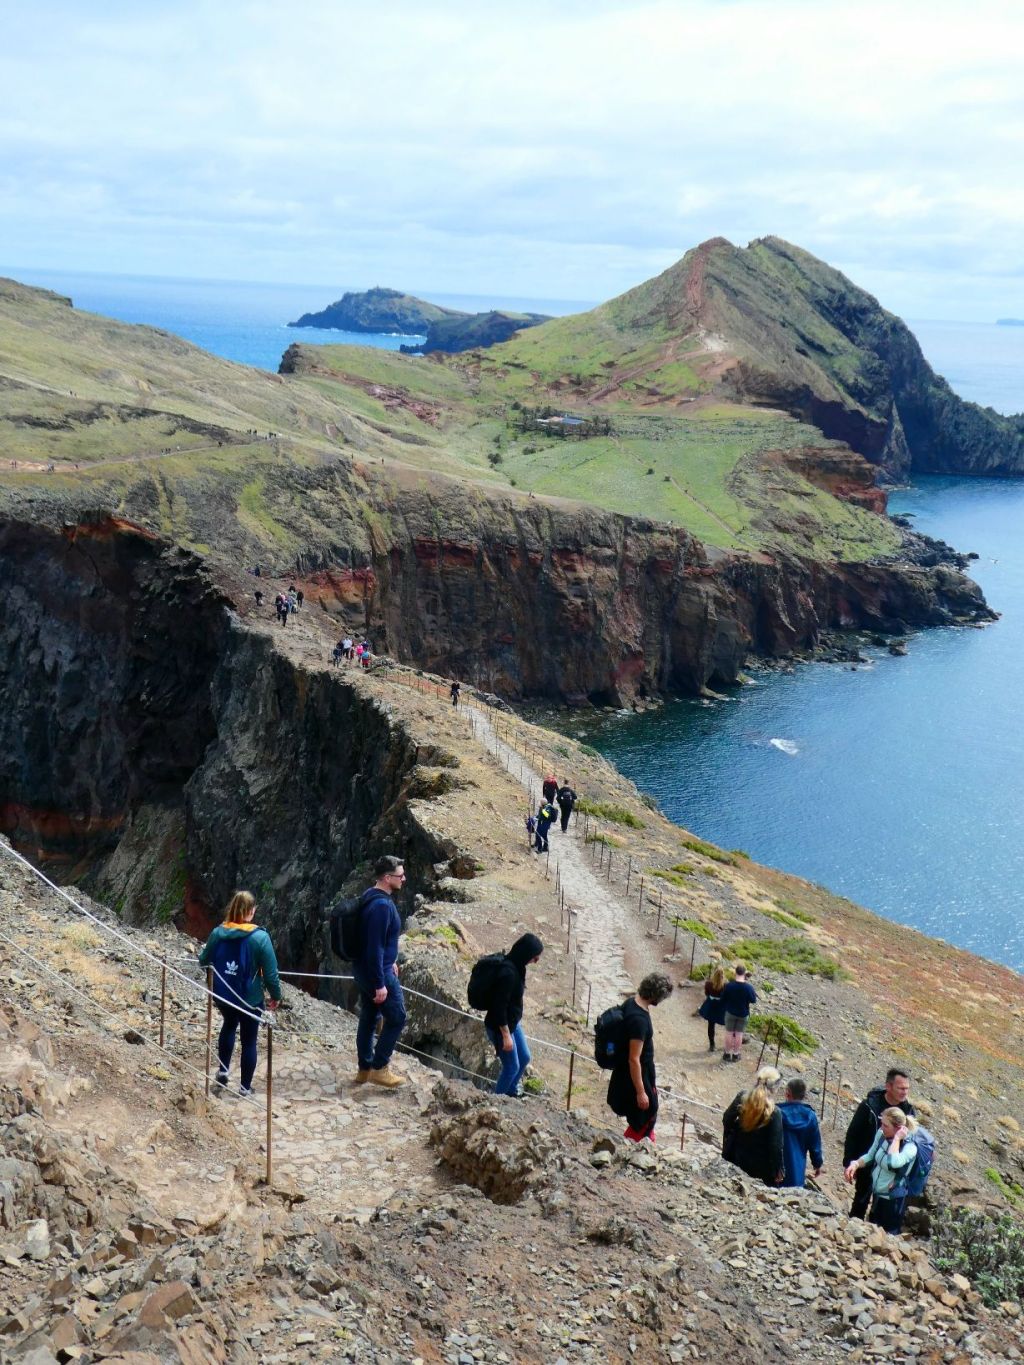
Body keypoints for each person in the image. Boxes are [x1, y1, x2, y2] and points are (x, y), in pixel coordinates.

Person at [199, 891, 281, 1097]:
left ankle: (223, 1071)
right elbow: (271, 974)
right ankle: (245, 1088)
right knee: (249, 1040)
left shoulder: (218, 933)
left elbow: (203, 960)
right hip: (249, 998)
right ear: (252, 911)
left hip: (223, 994)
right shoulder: (260, 937)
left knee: (228, 1026)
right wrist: (276, 996)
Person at [351, 855, 408, 1088]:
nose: (404, 878)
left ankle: (364, 1069)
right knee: (397, 1017)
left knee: (369, 1017)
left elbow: (377, 943)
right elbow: (375, 946)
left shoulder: (369, 896)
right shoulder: (383, 906)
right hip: (377, 974)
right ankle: (379, 1067)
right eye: (400, 875)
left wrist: (390, 960)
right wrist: (380, 983)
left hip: (365, 970)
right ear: (387, 878)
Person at [606, 973, 674, 1141]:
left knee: (646, 1116)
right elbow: (634, 1059)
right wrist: (641, 1092)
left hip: (630, 1071)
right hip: (637, 1073)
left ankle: (648, 1142)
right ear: (656, 995)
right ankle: (634, 1146)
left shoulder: (630, 1003)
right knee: (647, 1113)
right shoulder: (639, 1020)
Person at [843, 1069, 916, 1219]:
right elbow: (853, 1134)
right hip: (867, 1161)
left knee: (881, 1206)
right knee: (861, 1199)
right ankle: (854, 1229)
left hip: (891, 1170)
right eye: (901, 1088)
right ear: (888, 1086)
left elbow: (911, 1141)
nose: (905, 1092)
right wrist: (849, 1161)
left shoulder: (908, 1110)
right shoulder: (870, 1105)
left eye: (907, 1088)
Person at [483, 933, 544, 1096]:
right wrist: (506, 1036)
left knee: (524, 1058)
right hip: (500, 1027)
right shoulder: (508, 974)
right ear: (526, 954)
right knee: (511, 1067)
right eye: (535, 957)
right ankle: (497, 1101)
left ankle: (510, 1092)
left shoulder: (519, 967)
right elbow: (498, 1007)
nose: (536, 961)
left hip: (512, 1023)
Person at [844, 1107, 919, 1234]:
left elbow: (892, 1162)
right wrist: (855, 1164)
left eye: (886, 1125)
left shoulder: (910, 1148)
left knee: (888, 1238)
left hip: (893, 1201)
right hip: (878, 1195)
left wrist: (896, 1139)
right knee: (873, 1233)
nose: (881, 1127)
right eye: (882, 1123)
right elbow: (870, 1155)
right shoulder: (881, 1134)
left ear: (899, 1128)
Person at [722, 1066, 784, 1185]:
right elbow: (776, 1145)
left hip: (737, 1159)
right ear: (775, 1087)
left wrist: (732, 1135)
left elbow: (727, 1118)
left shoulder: (742, 1097)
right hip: (761, 1169)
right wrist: (778, 1170)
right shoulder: (774, 1112)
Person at [778, 1077, 824, 1187]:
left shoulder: (776, 1113)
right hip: (796, 1174)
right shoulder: (810, 1117)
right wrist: (817, 1164)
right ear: (804, 1095)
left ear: (788, 1093)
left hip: (774, 1172)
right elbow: (815, 1145)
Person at [719, 962, 757, 1063]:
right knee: (739, 1034)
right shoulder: (749, 988)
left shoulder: (729, 986)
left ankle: (727, 1054)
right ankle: (736, 1054)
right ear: (744, 974)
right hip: (743, 1014)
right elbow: (753, 1000)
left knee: (729, 1033)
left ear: (735, 973)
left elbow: (723, 999)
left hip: (730, 1012)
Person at [698, 964, 727, 1052]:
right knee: (727, 1025)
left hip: (711, 1005)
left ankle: (712, 1045)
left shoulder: (708, 983)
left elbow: (706, 993)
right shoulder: (726, 985)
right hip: (721, 1006)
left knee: (711, 1025)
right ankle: (728, 1045)